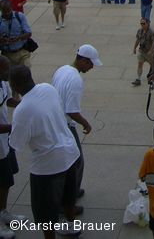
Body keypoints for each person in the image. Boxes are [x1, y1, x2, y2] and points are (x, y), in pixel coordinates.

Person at [9, 66, 81, 239]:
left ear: (14, 86)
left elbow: (17, 143)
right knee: (69, 195)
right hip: (71, 153)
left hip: (47, 165)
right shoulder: (48, 89)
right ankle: (71, 226)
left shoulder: (22, 111)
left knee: (46, 209)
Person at [52, 45, 102, 199]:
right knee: (76, 161)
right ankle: (68, 199)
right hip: (65, 124)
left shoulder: (62, 69)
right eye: (90, 64)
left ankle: (70, 192)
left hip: (55, 120)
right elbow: (71, 111)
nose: (91, 67)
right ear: (82, 60)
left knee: (69, 161)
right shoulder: (75, 80)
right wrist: (86, 123)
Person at [0, 57, 23, 236]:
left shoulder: (2, 83)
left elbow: (8, 101)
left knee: (7, 180)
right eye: (5, 69)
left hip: (4, 142)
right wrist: (15, 127)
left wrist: (29, 103)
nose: (9, 73)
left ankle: (3, 212)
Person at [0, 0, 32, 68]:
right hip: (6, 54)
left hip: (21, 53)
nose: (7, 14)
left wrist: (18, 38)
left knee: (26, 72)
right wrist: (3, 39)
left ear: (11, 8)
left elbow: (28, 33)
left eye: (8, 11)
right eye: (4, 12)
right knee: (9, 76)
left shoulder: (20, 16)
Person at [132, 19, 154, 86]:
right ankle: (138, 79)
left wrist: (151, 51)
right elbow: (137, 40)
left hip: (149, 52)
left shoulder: (151, 32)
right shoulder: (139, 31)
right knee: (140, 64)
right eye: (141, 23)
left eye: (144, 23)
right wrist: (134, 48)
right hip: (141, 51)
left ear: (147, 24)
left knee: (153, 65)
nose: (142, 25)